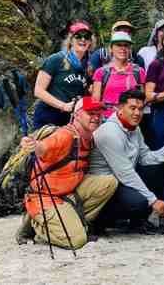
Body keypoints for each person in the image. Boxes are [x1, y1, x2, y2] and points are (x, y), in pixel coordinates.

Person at [17, 97, 118, 248]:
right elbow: (44, 148)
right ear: (77, 115)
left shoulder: (89, 137)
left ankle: (72, 222)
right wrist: (33, 145)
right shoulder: (65, 135)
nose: (96, 117)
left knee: (108, 183)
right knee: (76, 241)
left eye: (99, 113)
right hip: (46, 197)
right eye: (90, 113)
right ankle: (35, 222)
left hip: (69, 192)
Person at [90, 89, 164, 234]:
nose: (137, 113)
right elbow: (125, 173)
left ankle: (139, 221)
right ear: (120, 108)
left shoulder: (134, 128)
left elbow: (145, 157)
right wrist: (153, 200)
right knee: (139, 203)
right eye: (132, 108)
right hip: (104, 186)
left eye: (141, 109)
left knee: (159, 167)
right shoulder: (109, 132)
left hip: (120, 180)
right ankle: (103, 220)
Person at [32, 21, 92, 129]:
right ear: (71, 40)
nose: (83, 40)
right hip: (48, 118)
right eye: (78, 36)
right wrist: (63, 106)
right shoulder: (55, 59)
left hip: (71, 121)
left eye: (86, 37)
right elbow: (38, 91)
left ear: (90, 42)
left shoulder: (88, 67)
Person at [92, 32, 146, 119]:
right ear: (111, 48)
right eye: (118, 45)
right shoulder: (102, 72)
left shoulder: (138, 72)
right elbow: (95, 101)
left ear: (130, 49)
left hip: (131, 120)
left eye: (126, 45)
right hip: (107, 119)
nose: (122, 48)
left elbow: (142, 99)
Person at [0, 68, 31, 137]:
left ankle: (27, 131)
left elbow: (24, 87)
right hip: (15, 104)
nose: (3, 76)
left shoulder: (15, 80)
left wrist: (26, 92)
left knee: (23, 116)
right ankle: (26, 132)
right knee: (22, 117)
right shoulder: (0, 87)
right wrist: (0, 106)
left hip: (20, 101)